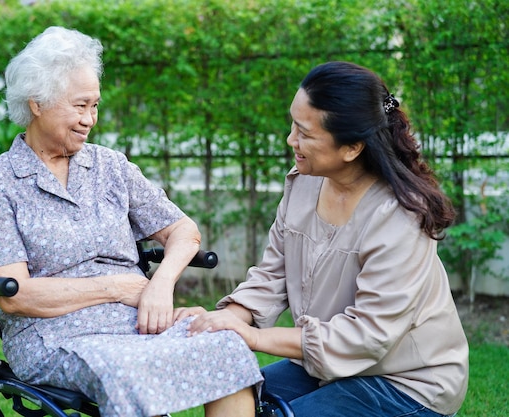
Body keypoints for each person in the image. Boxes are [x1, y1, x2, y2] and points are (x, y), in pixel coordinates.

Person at [0, 26, 262, 417]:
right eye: (80, 105)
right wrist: (114, 287)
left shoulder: (110, 167)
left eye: (95, 106)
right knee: (126, 368)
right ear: (37, 103)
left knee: (223, 343)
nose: (91, 119)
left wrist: (159, 285)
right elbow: (16, 295)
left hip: (136, 319)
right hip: (52, 335)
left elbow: (183, 231)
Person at [178, 61, 469, 417]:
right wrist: (227, 320)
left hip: (407, 381)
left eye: (305, 133)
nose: (291, 141)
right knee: (229, 383)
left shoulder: (400, 215)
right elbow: (273, 275)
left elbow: (367, 336)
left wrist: (253, 338)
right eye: (292, 125)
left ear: (352, 147)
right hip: (324, 364)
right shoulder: (303, 184)